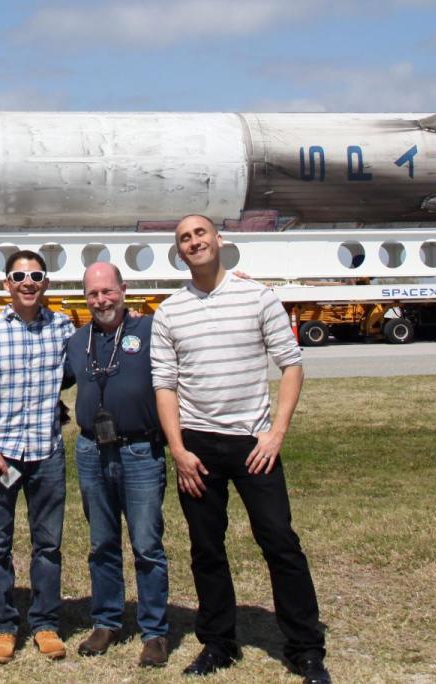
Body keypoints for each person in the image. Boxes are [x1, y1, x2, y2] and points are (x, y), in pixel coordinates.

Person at [151, 215, 332, 683]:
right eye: (185, 239)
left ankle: (305, 648)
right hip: (197, 448)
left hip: (254, 445)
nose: (194, 242)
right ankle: (219, 642)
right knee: (206, 548)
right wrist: (178, 449)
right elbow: (165, 385)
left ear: (219, 240)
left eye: (200, 233)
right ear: (179, 252)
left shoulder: (258, 296)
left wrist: (276, 433)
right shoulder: (170, 311)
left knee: (280, 542)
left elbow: (291, 365)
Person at [0, 249, 75, 664]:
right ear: (7, 283)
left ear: (46, 283)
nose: (28, 282)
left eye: (36, 275)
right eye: (19, 275)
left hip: (46, 454)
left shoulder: (63, 326)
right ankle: (3, 626)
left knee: (48, 545)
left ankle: (45, 623)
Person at [63, 262, 170, 668]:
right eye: (93, 294)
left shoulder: (151, 329)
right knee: (102, 543)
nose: (101, 300)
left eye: (108, 291)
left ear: (123, 290)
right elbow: (50, 379)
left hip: (139, 451)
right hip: (92, 451)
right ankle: (106, 621)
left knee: (147, 545)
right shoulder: (77, 340)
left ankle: (155, 631)